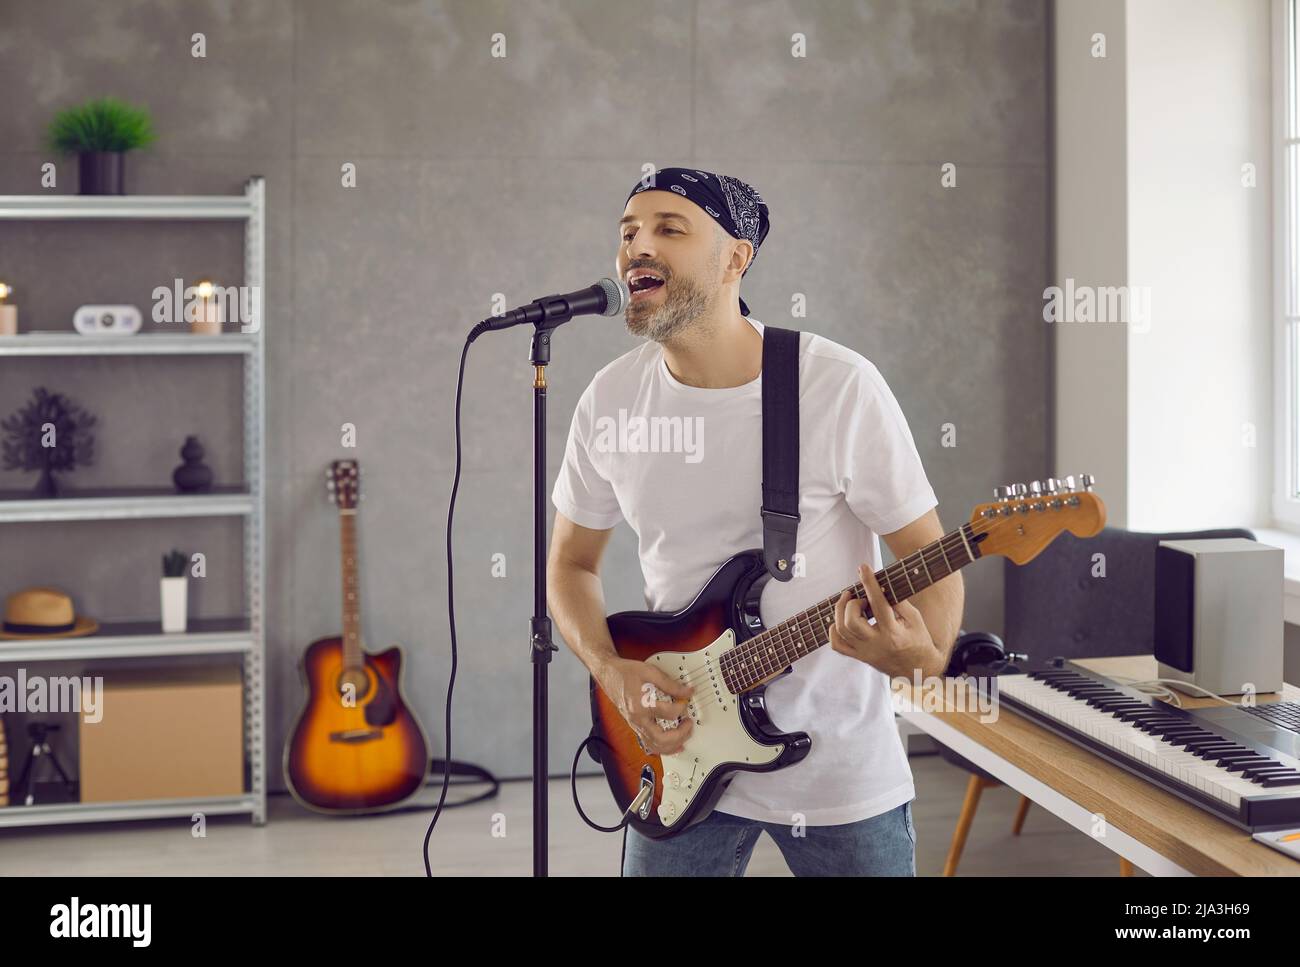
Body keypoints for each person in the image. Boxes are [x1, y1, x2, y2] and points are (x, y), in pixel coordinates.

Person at [547, 167, 965, 876]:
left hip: (841, 777)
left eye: (669, 229)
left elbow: (930, 555)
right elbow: (570, 564)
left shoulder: (836, 386)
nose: (636, 247)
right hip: (677, 759)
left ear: (737, 257)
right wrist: (612, 671)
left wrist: (922, 661)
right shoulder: (610, 399)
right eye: (627, 233)